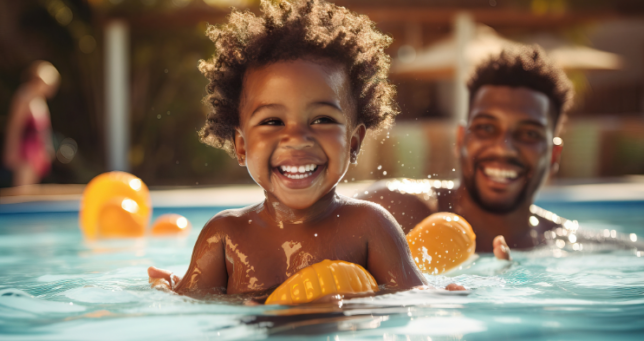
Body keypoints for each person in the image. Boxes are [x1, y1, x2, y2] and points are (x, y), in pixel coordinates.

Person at [148, 0, 463, 300]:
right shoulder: (224, 236)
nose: (297, 138)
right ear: (241, 145)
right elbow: (190, 309)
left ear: (353, 142)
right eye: (273, 121)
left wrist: (446, 297)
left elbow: (414, 300)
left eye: (322, 119)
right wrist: (172, 290)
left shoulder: (370, 227)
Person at [360, 46, 575, 260]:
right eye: (486, 128)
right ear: (461, 139)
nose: (503, 148)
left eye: (529, 133)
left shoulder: (569, 246)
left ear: (554, 155)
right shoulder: (392, 212)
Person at [2, 61, 58, 187]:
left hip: (36, 152)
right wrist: (10, 150)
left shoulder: (39, 100)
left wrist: (46, 149)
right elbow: (15, 126)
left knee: (31, 189)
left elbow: (43, 129)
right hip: (25, 152)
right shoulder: (24, 96)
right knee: (23, 190)